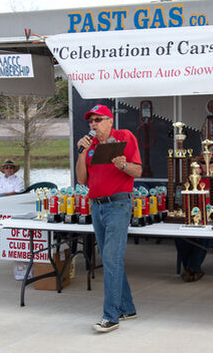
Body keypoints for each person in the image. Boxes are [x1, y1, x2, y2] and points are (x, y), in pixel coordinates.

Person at [76, 104, 142, 333]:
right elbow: (82, 180)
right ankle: (128, 308)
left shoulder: (124, 137)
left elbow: (137, 171)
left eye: (98, 119)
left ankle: (111, 315)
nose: (93, 124)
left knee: (111, 259)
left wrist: (123, 165)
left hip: (118, 204)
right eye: (90, 121)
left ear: (110, 121)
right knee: (110, 258)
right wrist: (82, 153)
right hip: (96, 206)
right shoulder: (90, 145)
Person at [174, 155, 213, 282]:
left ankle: (191, 269)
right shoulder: (192, 180)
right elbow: (183, 200)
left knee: (205, 235)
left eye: (210, 162)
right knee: (179, 236)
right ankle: (194, 269)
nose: (207, 164)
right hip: (194, 217)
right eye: (202, 162)